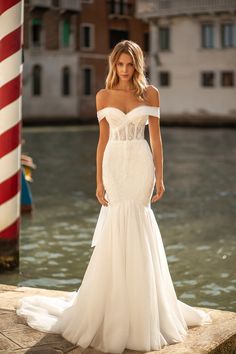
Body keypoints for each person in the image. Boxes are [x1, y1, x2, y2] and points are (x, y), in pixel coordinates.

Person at [16, 40, 212, 354]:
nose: (124, 70)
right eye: (119, 64)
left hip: (140, 162)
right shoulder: (103, 96)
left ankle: (145, 307)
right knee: (117, 224)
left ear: (137, 65)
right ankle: (113, 304)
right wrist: (98, 181)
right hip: (114, 166)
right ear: (113, 65)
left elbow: (156, 139)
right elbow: (102, 141)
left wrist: (160, 176)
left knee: (138, 221)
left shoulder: (150, 93)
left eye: (129, 64)